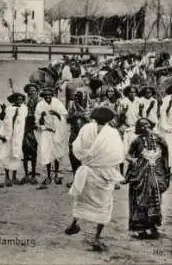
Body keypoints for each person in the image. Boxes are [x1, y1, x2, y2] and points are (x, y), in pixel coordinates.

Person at [65, 107, 125, 252]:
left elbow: (76, 147)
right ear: (110, 119)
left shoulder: (86, 129)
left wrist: (86, 159)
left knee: (82, 199)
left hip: (87, 171)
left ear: (93, 117)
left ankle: (73, 224)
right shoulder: (112, 133)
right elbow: (117, 155)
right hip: (103, 173)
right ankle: (96, 238)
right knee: (103, 205)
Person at [123, 118, 170, 239]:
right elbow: (127, 155)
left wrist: (165, 174)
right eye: (143, 126)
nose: (146, 128)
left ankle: (152, 226)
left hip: (156, 175)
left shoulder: (160, 140)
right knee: (140, 200)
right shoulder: (137, 141)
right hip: (140, 175)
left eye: (147, 125)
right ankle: (140, 228)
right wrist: (133, 160)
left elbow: (165, 158)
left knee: (155, 200)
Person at [35, 87, 68, 189]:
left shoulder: (57, 102)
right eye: (46, 95)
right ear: (43, 96)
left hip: (57, 131)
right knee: (47, 152)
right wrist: (41, 116)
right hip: (46, 132)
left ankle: (57, 174)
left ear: (52, 95)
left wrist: (57, 114)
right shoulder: (40, 105)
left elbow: (65, 116)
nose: (48, 97)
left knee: (57, 153)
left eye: (49, 95)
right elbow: (37, 122)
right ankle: (49, 175)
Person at [0, 92, 28, 186]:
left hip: (18, 135)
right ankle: (7, 177)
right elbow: (1, 118)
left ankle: (14, 176)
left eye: (21, 99)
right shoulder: (8, 109)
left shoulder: (24, 109)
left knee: (16, 154)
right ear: (13, 100)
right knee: (7, 154)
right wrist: (3, 111)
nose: (20, 100)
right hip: (8, 134)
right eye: (18, 99)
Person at [67, 88, 92, 187]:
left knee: (86, 157)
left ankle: (85, 180)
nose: (77, 98)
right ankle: (76, 179)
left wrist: (84, 116)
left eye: (80, 96)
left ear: (85, 97)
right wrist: (74, 115)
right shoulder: (72, 105)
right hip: (74, 134)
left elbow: (92, 120)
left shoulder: (89, 107)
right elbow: (68, 119)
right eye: (76, 95)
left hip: (86, 135)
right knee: (73, 156)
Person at [118, 85, 142, 177]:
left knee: (136, 151)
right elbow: (120, 118)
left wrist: (141, 110)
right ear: (127, 93)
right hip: (126, 129)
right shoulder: (123, 102)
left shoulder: (139, 101)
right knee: (124, 151)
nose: (132, 94)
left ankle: (135, 171)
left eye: (134, 92)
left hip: (136, 129)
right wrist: (123, 113)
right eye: (130, 92)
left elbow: (142, 117)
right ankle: (121, 173)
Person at [22, 83, 41, 184]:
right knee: (25, 149)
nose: (31, 92)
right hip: (25, 126)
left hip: (35, 126)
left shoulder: (40, 101)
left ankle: (33, 174)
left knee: (34, 150)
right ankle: (26, 174)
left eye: (33, 90)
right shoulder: (25, 100)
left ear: (36, 91)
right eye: (30, 90)